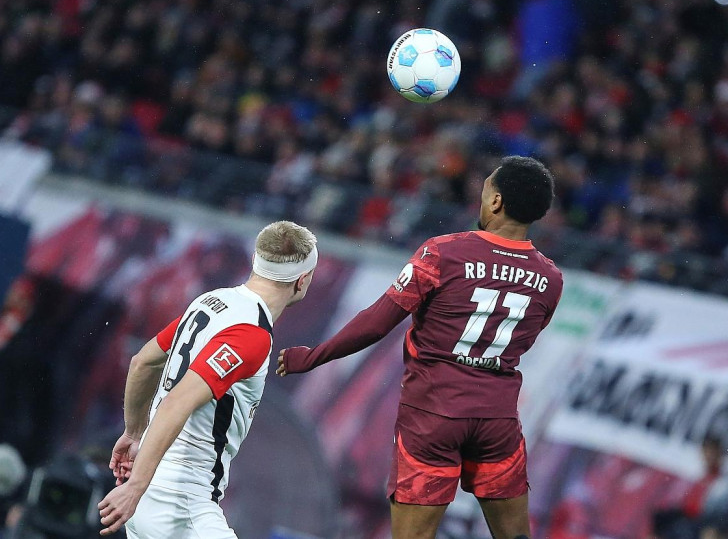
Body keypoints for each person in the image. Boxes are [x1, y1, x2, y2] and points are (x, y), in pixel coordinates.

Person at [277, 156, 563, 539]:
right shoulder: (550, 277)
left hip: (433, 414)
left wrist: (311, 356)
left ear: (495, 202)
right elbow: (525, 337)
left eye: (485, 191)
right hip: (496, 420)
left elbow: (377, 322)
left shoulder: (443, 253)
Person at [97, 221, 318, 537]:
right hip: (180, 502)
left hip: (151, 494)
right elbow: (178, 401)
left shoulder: (210, 302)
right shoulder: (251, 334)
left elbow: (142, 363)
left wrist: (134, 433)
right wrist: (135, 486)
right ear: (303, 280)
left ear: (256, 263)